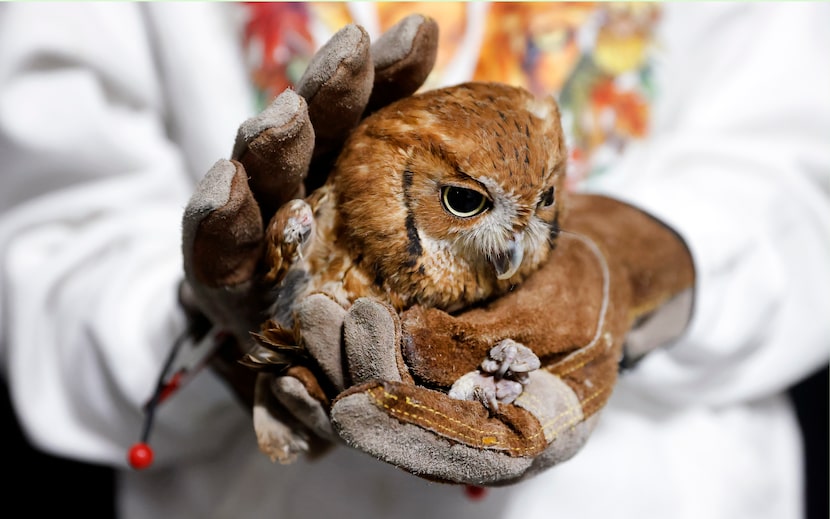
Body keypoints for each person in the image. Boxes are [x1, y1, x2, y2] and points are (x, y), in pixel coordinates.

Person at [1, 2, 827, 518]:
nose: (514, 243)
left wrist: (633, 264)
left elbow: (799, 161)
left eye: (539, 206)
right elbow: (59, 237)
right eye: (466, 204)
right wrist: (216, 321)